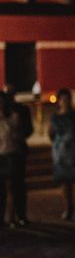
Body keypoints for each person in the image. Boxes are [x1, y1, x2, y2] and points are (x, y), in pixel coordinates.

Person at [49, 88, 75, 221]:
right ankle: (67, 208)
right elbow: (51, 134)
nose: (65, 102)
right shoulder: (55, 117)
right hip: (61, 152)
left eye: (67, 99)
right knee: (64, 182)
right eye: (62, 99)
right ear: (59, 101)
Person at [3, 84, 34, 226]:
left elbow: (28, 129)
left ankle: (20, 215)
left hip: (16, 152)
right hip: (2, 153)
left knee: (18, 186)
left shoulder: (20, 110)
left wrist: (19, 135)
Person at [0, 91, 19, 228]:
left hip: (9, 154)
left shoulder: (13, 117)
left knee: (10, 188)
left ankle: (11, 218)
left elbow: (15, 134)